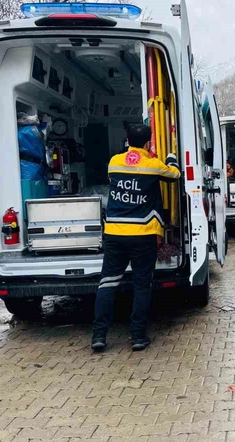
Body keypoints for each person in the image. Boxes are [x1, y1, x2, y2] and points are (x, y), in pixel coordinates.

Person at [91, 124, 181, 352]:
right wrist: (170, 158)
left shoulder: (114, 162)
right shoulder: (153, 165)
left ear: (127, 141)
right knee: (141, 285)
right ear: (148, 142)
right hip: (143, 234)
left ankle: (99, 336)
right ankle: (138, 337)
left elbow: (124, 172)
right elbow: (174, 175)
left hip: (115, 234)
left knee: (107, 284)